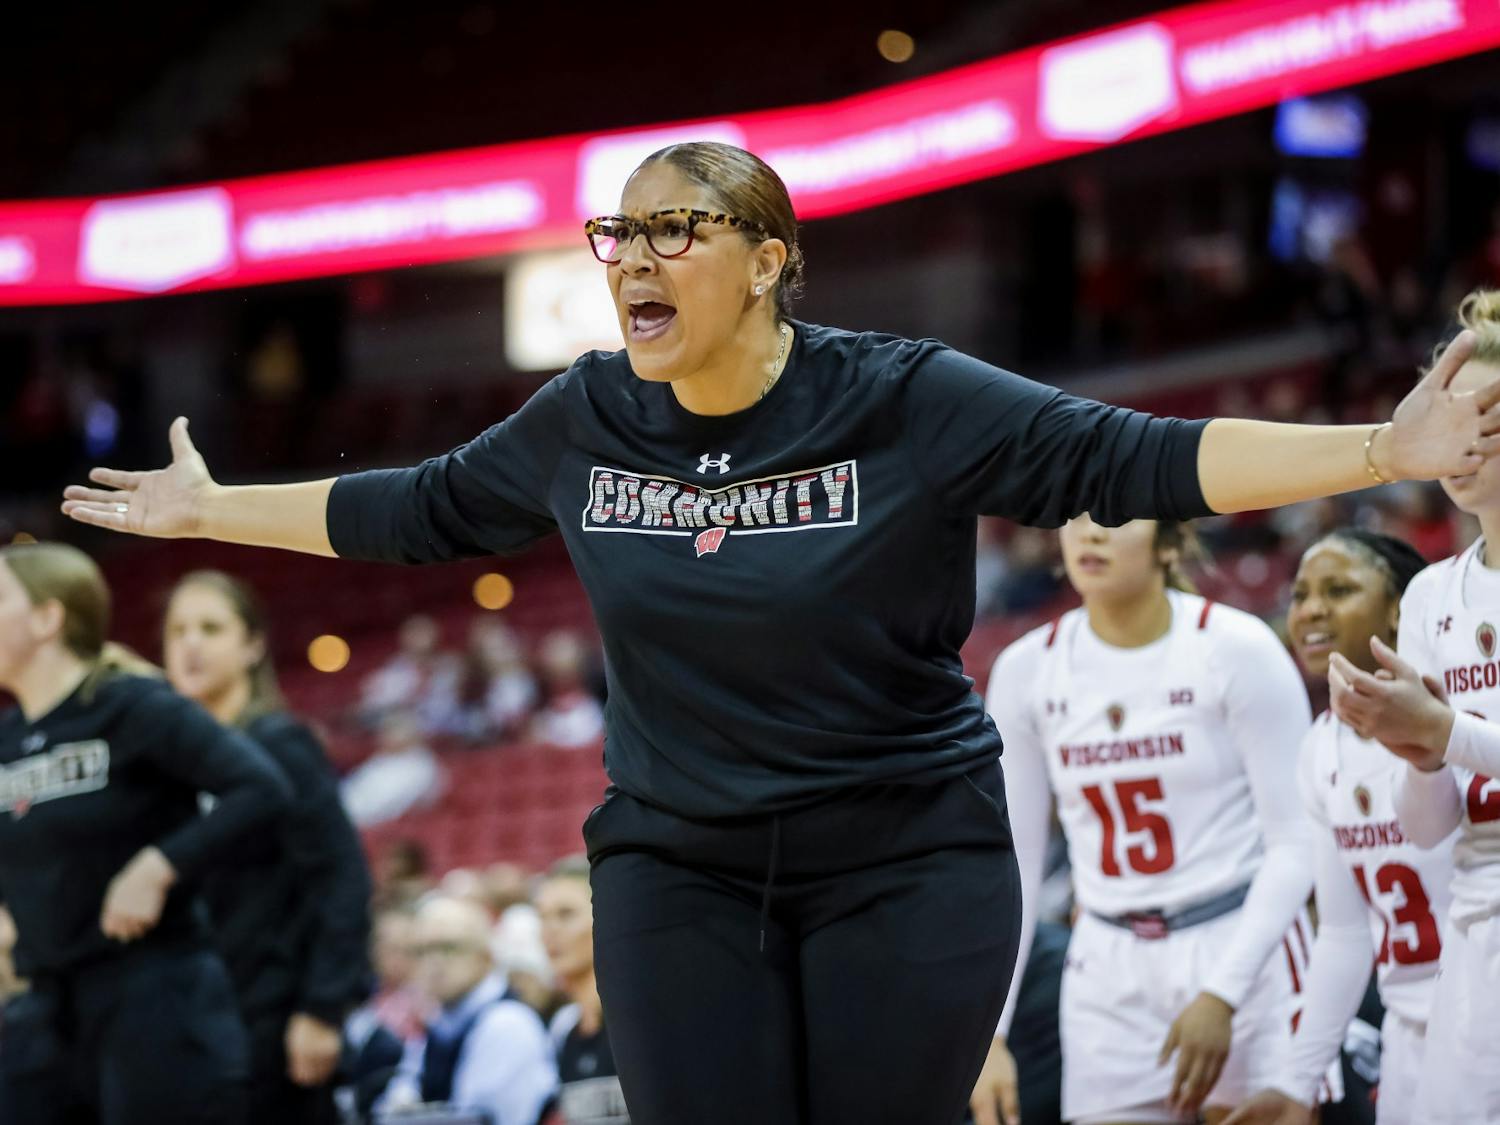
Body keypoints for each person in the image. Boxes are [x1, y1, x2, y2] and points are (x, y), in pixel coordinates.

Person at [60, 141, 1500, 1125]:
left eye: (675, 228)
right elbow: (413, 508)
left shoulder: (900, 393)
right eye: (619, 231)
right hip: (678, 866)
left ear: (765, 260)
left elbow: (1142, 456)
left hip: (905, 858)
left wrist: (1383, 443)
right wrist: (210, 512)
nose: (634, 254)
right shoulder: (584, 416)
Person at [975, 518, 1314, 1125]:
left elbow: (1296, 845)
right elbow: (1018, 866)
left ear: (1168, 541)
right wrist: (989, 1034)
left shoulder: (1235, 647)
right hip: (1107, 963)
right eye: (1076, 516)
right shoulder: (1027, 670)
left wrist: (1223, 993)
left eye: (1113, 515)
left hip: (1237, 936)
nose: (1089, 534)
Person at [0, 541, 290, 1125]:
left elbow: (262, 788)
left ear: (48, 618)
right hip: (47, 1005)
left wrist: (158, 866)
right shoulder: (7, 739)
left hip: (156, 994)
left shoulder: (134, 705)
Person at [1324, 290, 1500, 1125]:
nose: (1457, 438)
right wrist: (1424, 758)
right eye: (1445, 415)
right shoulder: (1432, 595)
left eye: (1481, 413)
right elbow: (1428, 826)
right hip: (1477, 920)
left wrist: (1448, 733)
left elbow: (1460, 736)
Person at [1225, 529, 1450, 1125]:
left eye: (1340, 589)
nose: (1311, 610)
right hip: (1409, 1031)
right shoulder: (1319, 747)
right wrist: (1298, 1084)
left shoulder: (1457, 715)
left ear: (1399, 608)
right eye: (1299, 595)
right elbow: (1346, 934)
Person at [161, 569, 375, 1125]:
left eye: (210, 628)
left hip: (274, 1016)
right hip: (194, 1017)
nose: (190, 643)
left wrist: (322, 1009)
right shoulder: (165, 766)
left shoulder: (280, 744)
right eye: (177, 629)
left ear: (253, 645)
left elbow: (342, 876)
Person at [378, 895, 556, 1125]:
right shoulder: (439, 1024)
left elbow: (474, 1120)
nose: (434, 962)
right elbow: (394, 1108)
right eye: (423, 950)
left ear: (486, 955)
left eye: (449, 947)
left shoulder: (508, 1022)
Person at [537, 856, 629, 1125]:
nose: (548, 931)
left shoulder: (643, 1020)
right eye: (542, 917)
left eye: (565, 914)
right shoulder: (563, 1030)